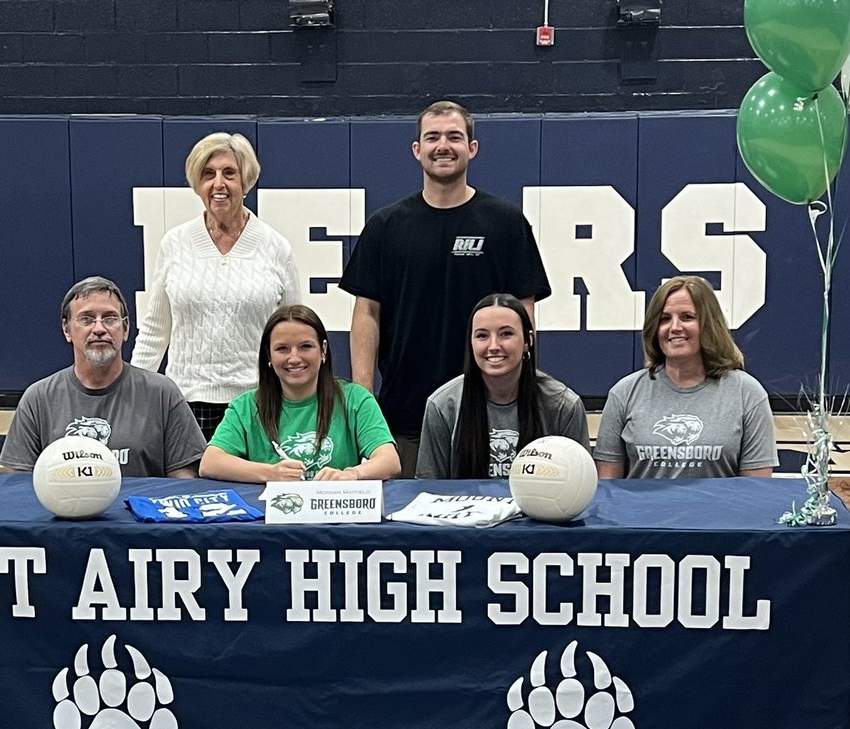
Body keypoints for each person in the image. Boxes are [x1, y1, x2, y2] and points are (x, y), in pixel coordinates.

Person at [340, 99, 551, 476]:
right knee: (407, 532)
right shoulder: (385, 226)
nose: (443, 146)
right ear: (417, 150)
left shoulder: (505, 223)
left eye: (454, 137)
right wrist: (363, 399)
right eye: (432, 137)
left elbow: (524, 315)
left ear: (472, 148)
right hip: (405, 417)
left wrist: (523, 394)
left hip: (487, 416)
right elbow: (367, 314)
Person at [131, 132, 302, 440]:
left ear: (246, 181)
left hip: (256, 403)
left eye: (229, 174)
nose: (219, 184)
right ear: (197, 183)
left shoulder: (275, 247)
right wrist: (132, 396)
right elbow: (156, 329)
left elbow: (296, 332)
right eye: (208, 174)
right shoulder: (175, 244)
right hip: (185, 404)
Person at [0, 276, 205, 477]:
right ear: (66, 329)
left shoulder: (162, 393)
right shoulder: (38, 399)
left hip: (139, 511)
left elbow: (184, 477)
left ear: (125, 329)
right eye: (86, 319)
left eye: (110, 318)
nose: (99, 328)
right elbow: (17, 480)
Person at [594, 275, 778, 479]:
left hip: (718, 512)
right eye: (664, 319)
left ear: (709, 324)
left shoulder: (748, 394)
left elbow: (756, 492)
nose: (674, 327)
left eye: (687, 317)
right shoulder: (624, 393)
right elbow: (608, 491)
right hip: (641, 512)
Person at [200, 305, 400, 483]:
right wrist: (271, 473)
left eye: (305, 346)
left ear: (323, 351)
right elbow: (210, 462)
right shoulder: (245, 406)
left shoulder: (356, 399)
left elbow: (389, 461)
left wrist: (351, 474)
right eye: (282, 349)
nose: (294, 358)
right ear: (269, 356)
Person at [418, 294, 588, 478]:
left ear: (527, 341)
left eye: (506, 334)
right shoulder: (442, 406)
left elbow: (580, 484)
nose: (493, 346)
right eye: (482, 335)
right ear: (471, 342)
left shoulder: (564, 405)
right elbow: (430, 487)